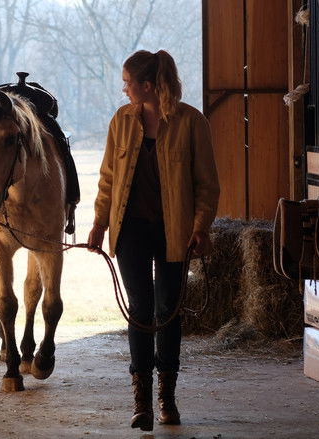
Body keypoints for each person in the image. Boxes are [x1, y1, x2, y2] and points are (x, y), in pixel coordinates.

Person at [87, 49, 220, 431]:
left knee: (169, 312)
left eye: (128, 82)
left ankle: (167, 397)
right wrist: (98, 223)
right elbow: (108, 178)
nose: (123, 88)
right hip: (130, 230)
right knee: (140, 311)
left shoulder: (191, 122)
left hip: (175, 231)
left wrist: (200, 226)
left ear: (146, 86)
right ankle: (141, 400)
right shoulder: (121, 121)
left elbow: (206, 184)